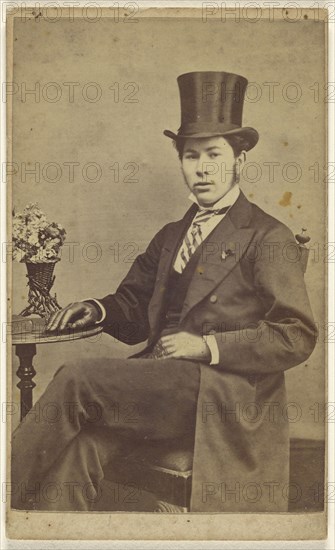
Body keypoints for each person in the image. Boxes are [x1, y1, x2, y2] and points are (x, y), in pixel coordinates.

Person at [11, 71, 317, 513]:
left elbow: (296, 334)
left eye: (214, 154)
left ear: (240, 161)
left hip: (219, 394)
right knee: (81, 451)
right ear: (180, 162)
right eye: (191, 156)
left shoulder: (268, 236)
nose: (203, 168)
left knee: (79, 378)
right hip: (160, 385)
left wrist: (206, 345)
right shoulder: (172, 234)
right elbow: (135, 309)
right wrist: (97, 309)